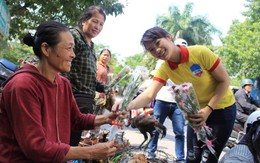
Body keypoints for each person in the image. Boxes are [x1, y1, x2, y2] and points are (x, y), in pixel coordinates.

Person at [0, 20, 125, 162]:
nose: (73, 55)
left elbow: (76, 119)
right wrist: (90, 152)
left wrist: (107, 118)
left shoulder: (63, 83)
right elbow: (35, 147)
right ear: (46, 49)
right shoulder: (23, 86)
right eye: (69, 48)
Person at [113, 26, 236, 163]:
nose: (157, 50)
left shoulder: (200, 52)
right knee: (192, 156)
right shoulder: (164, 68)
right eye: (151, 50)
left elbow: (224, 81)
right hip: (196, 114)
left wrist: (208, 109)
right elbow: (149, 94)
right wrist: (126, 105)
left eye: (158, 43)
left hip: (222, 110)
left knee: (209, 158)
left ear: (169, 37)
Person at [62, 6, 108, 146]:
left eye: (101, 24)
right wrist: (66, 96)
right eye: (95, 21)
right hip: (73, 98)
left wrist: (104, 88)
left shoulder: (91, 45)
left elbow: (87, 76)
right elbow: (63, 68)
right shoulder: (73, 36)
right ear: (84, 20)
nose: (98, 27)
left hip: (85, 102)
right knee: (66, 141)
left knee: (74, 140)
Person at [147, 79, 185, 162]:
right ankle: (151, 153)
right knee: (155, 129)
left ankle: (180, 159)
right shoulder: (162, 65)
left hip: (179, 102)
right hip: (162, 101)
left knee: (180, 132)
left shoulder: (186, 67)